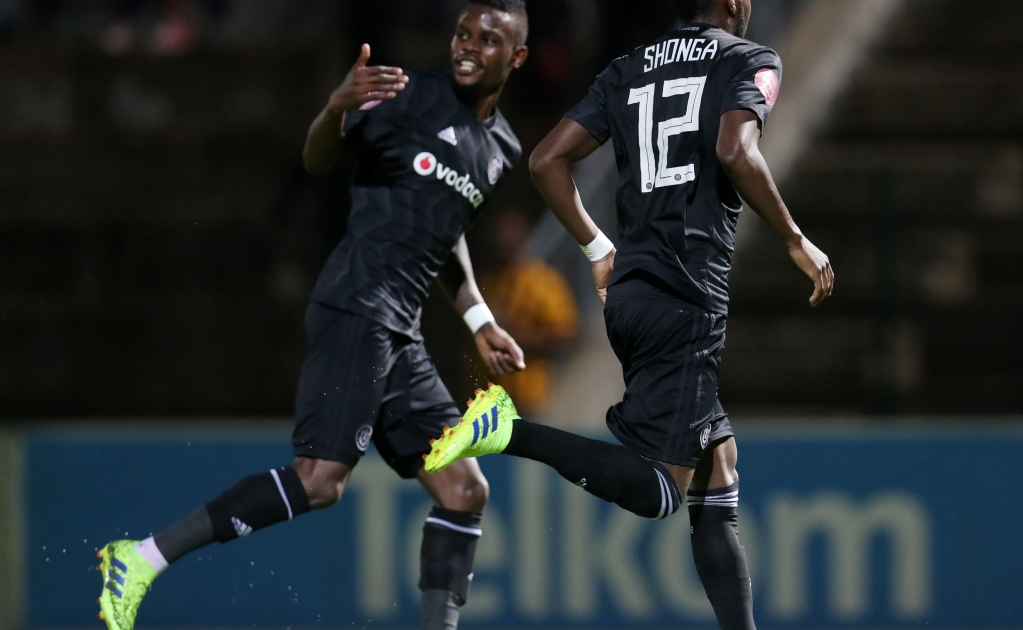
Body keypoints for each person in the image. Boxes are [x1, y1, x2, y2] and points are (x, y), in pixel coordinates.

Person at [96, 2, 530, 629]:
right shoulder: (408, 95)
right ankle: (140, 558)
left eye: (487, 39)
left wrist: (480, 320)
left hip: (401, 330)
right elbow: (318, 159)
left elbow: (446, 230)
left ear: (517, 56)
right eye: (463, 33)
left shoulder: (503, 146)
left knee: (464, 490)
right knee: (321, 480)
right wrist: (334, 108)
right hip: (359, 303)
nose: (468, 46)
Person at [423, 1, 833, 629]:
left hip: (631, 291)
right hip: (687, 295)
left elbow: (546, 160)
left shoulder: (630, 67)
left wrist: (596, 248)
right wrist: (794, 238)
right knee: (662, 490)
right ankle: (507, 430)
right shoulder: (748, 59)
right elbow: (735, 148)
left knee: (716, 464)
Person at [477, 208, 578, 416]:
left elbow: (566, 336)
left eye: (510, 234)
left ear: (524, 236)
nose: (503, 241)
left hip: (529, 399)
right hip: (485, 401)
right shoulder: (484, 284)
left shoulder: (542, 280)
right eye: (498, 235)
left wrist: (516, 337)